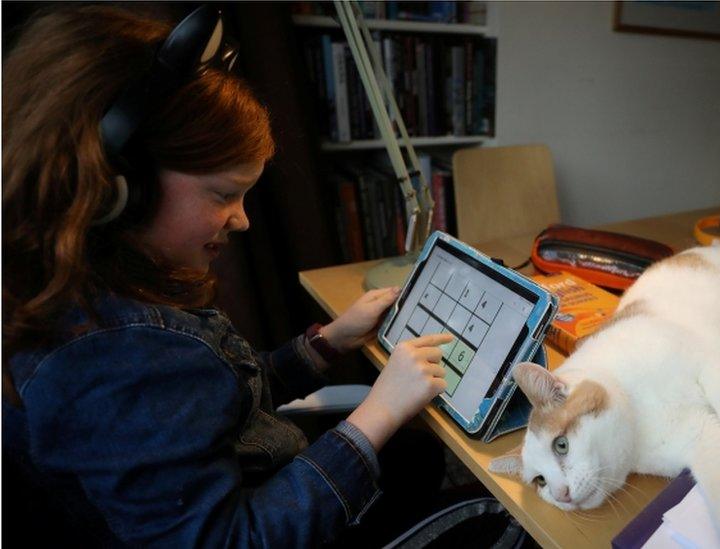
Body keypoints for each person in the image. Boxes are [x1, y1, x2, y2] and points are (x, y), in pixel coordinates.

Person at [2, 5, 455, 546]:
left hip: (264, 490)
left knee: (416, 453)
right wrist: (377, 413)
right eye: (223, 194)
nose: (241, 219)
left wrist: (327, 345)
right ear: (116, 188)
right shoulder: (122, 356)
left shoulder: (87, 298)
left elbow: (217, 408)